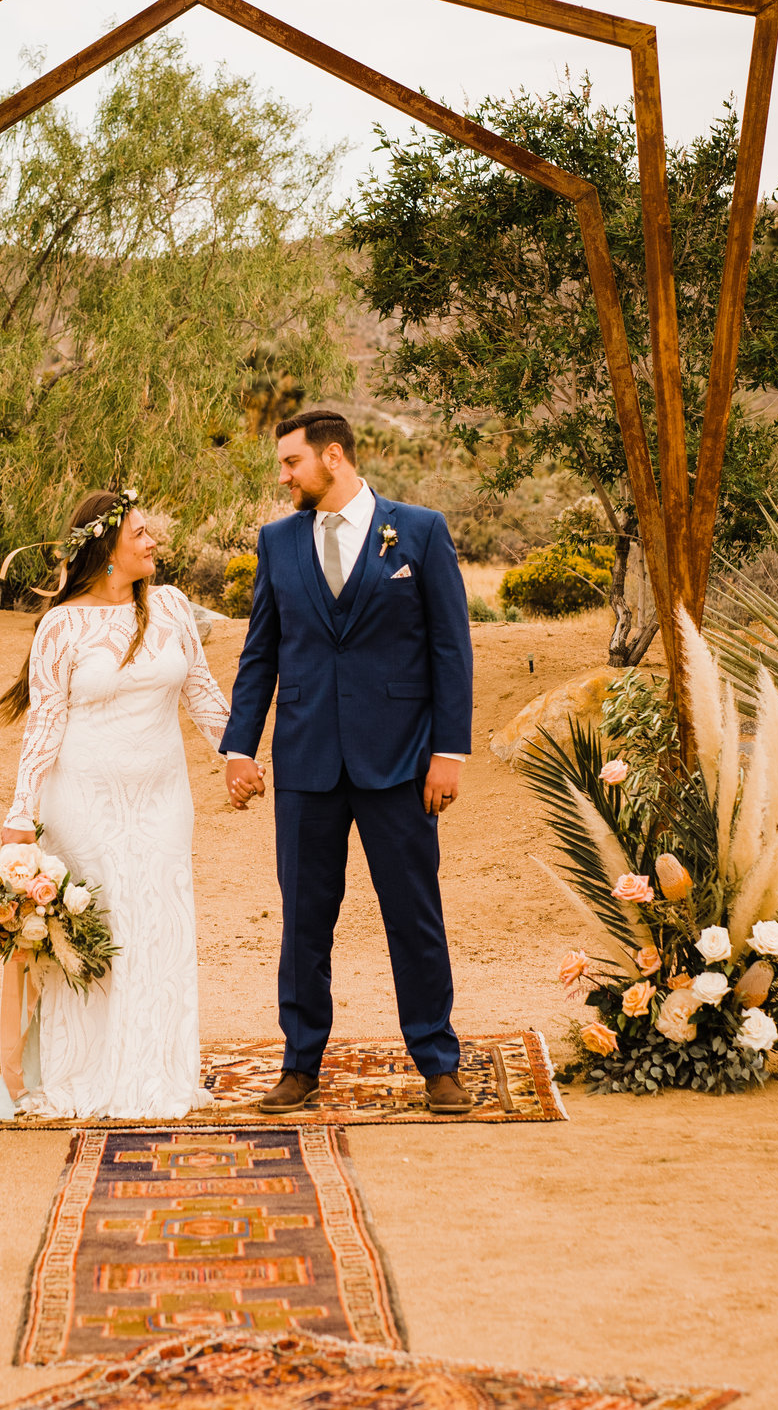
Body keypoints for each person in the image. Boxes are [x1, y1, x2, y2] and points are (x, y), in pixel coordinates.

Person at [0, 490, 229, 1122]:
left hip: (163, 800)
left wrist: (238, 756)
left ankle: (157, 1072)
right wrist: (20, 813)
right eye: (141, 534)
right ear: (107, 549)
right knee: (103, 927)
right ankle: (86, 1071)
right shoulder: (63, 626)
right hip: (85, 803)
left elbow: (201, 692)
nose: (153, 543)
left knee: (158, 924)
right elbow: (44, 724)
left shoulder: (172, 607)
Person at [220, 410, 477, 1115]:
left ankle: (438, 1063)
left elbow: (450, 650)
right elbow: (261, 653)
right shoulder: (278, 543)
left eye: (291, 463)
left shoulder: (418, 532)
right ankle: (300, 1065)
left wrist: (448, 752)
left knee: (413, 914)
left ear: (333, 457)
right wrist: (240, 745)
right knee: (305, 919)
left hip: (399, 762)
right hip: (305, 761)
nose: (283, 476)